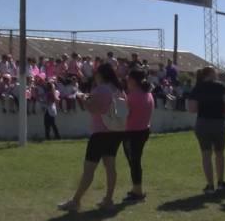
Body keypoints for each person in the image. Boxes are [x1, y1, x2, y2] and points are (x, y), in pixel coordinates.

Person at [57, 63, 124, 212]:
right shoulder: (118, 90)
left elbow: (93, 109)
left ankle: (75, 201)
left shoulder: (101, 89)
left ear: (100, 75)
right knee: (110, 167)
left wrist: (83, 98)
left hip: (100, 133)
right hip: (116, 132)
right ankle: (108, 199)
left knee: (89, 170)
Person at [187, 66, 225, 194]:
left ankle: (210, 185)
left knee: (206, 155)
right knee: (219, 154)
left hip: (202, 123)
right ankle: (220, 183)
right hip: (218, 122)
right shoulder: (221, 86)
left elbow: (192, 109)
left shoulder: (197, 88)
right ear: (211, 74)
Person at [122, 68, 154, 202]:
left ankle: (138, 192)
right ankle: (136, 189)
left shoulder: (132, 96)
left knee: (134, 162)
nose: (127, 81)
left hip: (132, 132)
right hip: (143, 130)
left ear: (133, 81)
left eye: (128, 79)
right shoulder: (147, 94)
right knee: (135, 161)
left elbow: (124, 114)